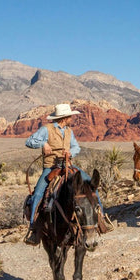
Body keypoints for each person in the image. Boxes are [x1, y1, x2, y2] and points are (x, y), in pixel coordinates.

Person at [23, 103, 103, 245]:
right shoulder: (46, 129)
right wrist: (43, 144)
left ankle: (102, 220)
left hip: (68, 166)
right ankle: (34, 228)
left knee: (91, 186)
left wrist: (71, 152)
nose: (72, 118)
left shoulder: (68, 131)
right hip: (51, 168)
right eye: (70, 116)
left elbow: (76, 146)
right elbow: (29, 141)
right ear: (64, 118)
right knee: (38, 194)